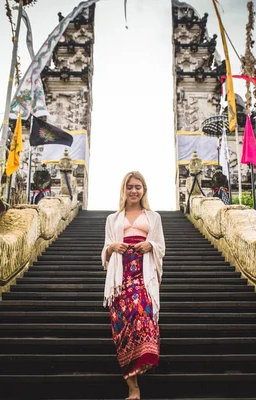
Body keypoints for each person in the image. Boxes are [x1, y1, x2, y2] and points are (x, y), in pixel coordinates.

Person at [102, 171, 165, 400]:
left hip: (143, 273)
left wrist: (149, 245)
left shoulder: (154, 217)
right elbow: (106, 248)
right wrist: (112, 248)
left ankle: (144, 358)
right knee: (122, 326)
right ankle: (133, 388)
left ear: (144, 190)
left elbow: (161, 246)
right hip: (120, 277)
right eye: (130, 187)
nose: (134, 190)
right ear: (124, 189)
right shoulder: (113, 219)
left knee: (142, 313)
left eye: (138, 187)